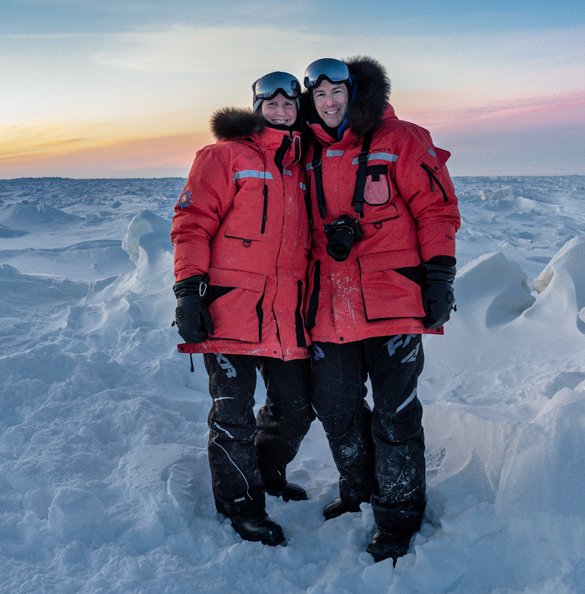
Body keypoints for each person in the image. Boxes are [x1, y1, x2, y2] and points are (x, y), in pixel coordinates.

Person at [300, 56, 461, 563]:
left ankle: (399, 513)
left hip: (392, 302)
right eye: (319, 95)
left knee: (395, 414)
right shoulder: (302, 149)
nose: (329, 103)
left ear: (354, 92)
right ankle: (360, 489)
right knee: (336, 410)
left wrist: (440, 277)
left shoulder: (403, 138)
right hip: (329, 307)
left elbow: (437, 210)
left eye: (337, 92)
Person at [170, 71, 315, 546]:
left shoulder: (303, 163)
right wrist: (188, 292)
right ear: (256, 108)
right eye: (271, 103)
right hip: (230, 309)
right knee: (233, 413)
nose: (281, 111)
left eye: (289, 103)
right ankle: (241, 505)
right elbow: (191, 225)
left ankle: (267, 474)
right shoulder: (222, 156)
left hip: (286, 312)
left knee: (295, 410)